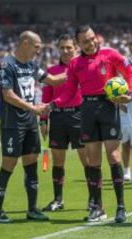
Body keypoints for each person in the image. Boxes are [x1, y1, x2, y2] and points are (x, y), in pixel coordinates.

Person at [48, 25, 132, 223]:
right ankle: (98, 207)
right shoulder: (75, 64)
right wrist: (53, 105)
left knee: (114, 157)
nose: (90, 44)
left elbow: (130, 73)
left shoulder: (111, 54)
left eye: (91, 39)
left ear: (96, 37)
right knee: (93, 161)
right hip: (86, 109)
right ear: (78, 44)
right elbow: (69, 91)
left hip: (108, 106)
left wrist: (129, 93)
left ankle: (121, 207)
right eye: (85, 41)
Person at [0, 30, 66, 223]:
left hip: (30, 123)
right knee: (9, 165)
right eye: (37, 46)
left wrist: (76, 70)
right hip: (12, 124)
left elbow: (54, 80)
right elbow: (8, 95)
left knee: (31, 165)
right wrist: (33, 108)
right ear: (25, 43)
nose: (39, 50)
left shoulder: (32, 65)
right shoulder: (6, 65)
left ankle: (32, 209)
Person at [39, 34, 92, 211]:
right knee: (57, 162)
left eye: (69, 47)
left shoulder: (84, 67)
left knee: (88, 161)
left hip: (79, 116)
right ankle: (58, 200)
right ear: (58, 49)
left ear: (75, 48)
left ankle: (93, 200)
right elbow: (46, 97)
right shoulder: (51, 71)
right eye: (62, 47)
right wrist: (43, 120)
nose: (66, 50)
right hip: (57, 118)